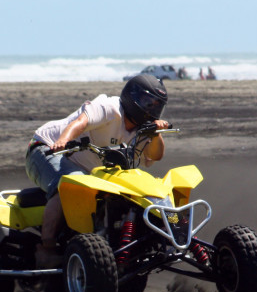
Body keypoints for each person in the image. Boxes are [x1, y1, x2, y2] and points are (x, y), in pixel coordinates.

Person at [24, 74, 170, 266]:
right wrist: (63, 140)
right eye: (148, 102)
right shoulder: (110, 107)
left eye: (156, 105)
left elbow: (155, 155)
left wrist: (155, 133)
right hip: (47, 147)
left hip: (90, 171)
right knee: (69, 182)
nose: (152, 109)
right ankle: (47, 249)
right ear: (132, 95)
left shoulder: (144, 129)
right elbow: (81, 122)